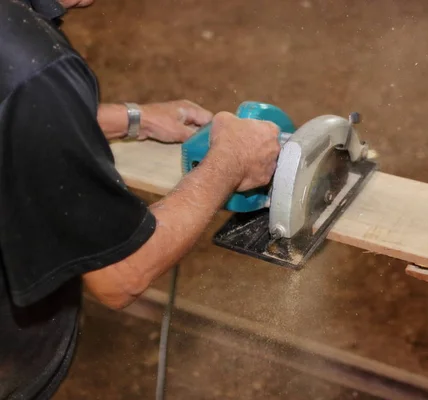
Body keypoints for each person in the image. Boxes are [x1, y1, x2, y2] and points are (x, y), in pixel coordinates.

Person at [0, 0, 281, 398]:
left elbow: (11, 104)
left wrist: (132, 118)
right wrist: (229, 163)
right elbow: (121, 274)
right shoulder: (35, 64)